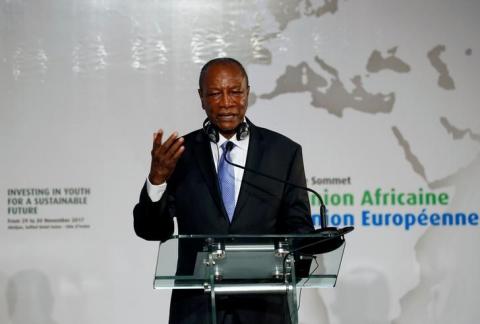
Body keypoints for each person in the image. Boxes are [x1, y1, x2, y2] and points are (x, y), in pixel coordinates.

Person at [133, 57, 314, 324]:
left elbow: (298, 226)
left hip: (265, 309)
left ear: (248, 92)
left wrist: (308, 246)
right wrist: (157, 179)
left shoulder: (283, 152)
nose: (227, 102)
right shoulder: (180, 154)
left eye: (235, 92)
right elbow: (151, 231)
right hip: (198, 309)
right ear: (201, 98)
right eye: (215, 94)